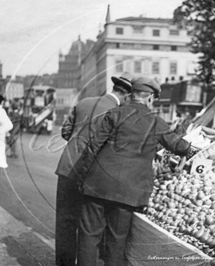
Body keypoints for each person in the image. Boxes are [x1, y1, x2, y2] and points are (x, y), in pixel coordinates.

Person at [73, 77, 191, 266]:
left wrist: (83, 179)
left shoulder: (114, 114)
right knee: (116, 241)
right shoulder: (155, 122)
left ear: (131, 95)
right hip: (128, 192)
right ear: (151, 98)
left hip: (97, 185)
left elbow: (92, 148)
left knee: (88, 236)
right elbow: (177, 144)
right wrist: (187, 149)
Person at [54, 72, 134, 266]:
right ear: (127, 95)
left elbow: (65, 131)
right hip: (91, 173)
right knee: (87, 224)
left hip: (67, 168)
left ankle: (64, 263)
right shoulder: (117, 113)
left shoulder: (84, 102)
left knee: (65, 220)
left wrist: (76, 144)